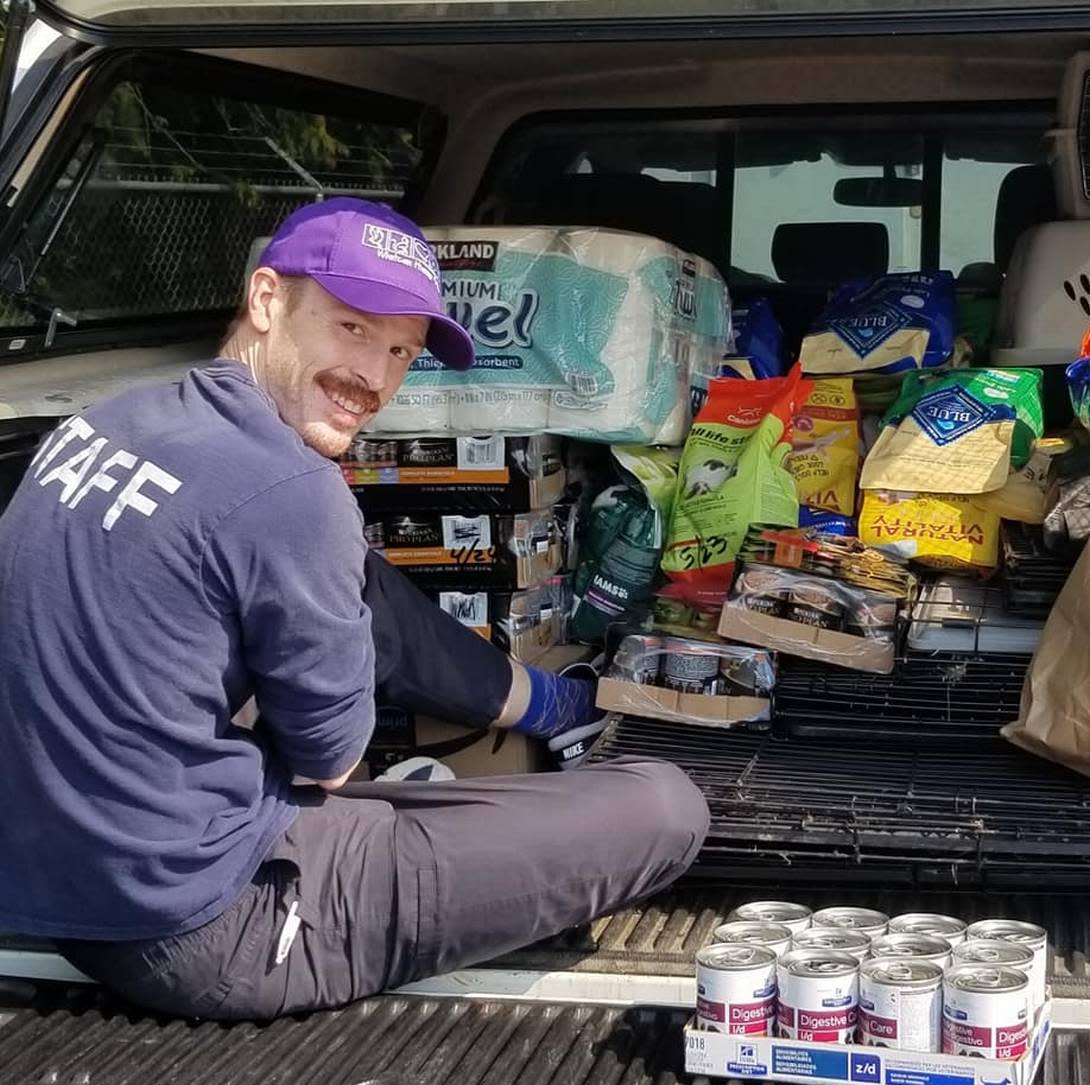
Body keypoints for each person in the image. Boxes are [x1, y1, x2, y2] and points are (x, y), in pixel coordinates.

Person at [0, 197, 709, 1020]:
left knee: (355, 586)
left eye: (401, 350)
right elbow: (327, 764)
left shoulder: (106, 422)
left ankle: (541, 705)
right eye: (351, 327)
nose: (372, 376)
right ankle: (549, 714)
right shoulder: (295, 493)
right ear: (267, 301)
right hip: (207, 924)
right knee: (662, 805)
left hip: (61, 872)